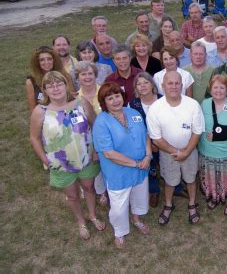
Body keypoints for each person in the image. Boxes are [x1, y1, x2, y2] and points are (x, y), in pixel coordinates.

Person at [29, 71, 105, 240]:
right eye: (50, 86)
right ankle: (81, 222)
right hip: (60, 164)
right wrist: (45, 160)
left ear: (66, 85)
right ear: (45, 90)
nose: (55, 88)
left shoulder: (81, 102)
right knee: (72, 195)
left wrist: (95, 151)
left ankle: (92, 215)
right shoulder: (40, 111)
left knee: (89, 188)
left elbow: (96, 125)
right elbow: (34, 138)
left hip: (86, 159)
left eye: (59, 84)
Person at [92, 82, 151, 248]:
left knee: (139, 197)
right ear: (104, 103)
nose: (115, 100)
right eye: (110, 98)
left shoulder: (133, 112)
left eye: (117, 96)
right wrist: (136, 163)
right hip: (118, 172)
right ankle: (119, 231)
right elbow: (109, 153)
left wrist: (147, 155)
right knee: (118, 206)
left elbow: (146, 135)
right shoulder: (101, 122)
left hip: (141, 168)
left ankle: (136, 218)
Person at [147, 71, 205, 225]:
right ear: (162, 86)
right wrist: (176, 152)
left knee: (191, 179)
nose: (174, 86)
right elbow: (156, 138)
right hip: (168, 153)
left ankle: (192, 204)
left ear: (182, 85)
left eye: (177, 83)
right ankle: (168, 204)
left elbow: (197, 131)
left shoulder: (193, 105)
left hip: (190, 150)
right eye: (170, 83)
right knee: (169, 181)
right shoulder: (155, 108)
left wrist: (186, 152)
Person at [198, 75, 227, 214]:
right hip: (208, 150)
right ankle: (213, 196)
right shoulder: (204, 104)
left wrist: (218, 135)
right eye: (215, 87)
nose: (218, 90)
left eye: (222, 87)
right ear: (210, 89)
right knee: (211, 175)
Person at [75, 61, 108, 206]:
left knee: (103, 166)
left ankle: (102, 191)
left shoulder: (105, 92)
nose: (87, 77)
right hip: (83, 139)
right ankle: (85, 186)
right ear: (78, 77)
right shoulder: (73, 98)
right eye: (83, 74)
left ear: (95, 75)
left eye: (90, 73)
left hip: (104, 137)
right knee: (85, 165)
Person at [128, 72, 162, 208]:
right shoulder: (132, 104)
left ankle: (175, 187)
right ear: (136, 88)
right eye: (139, 84)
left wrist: (158, 142)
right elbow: (132, 127)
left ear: (152, 84)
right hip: (144, 142)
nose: (143, 86)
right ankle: (153, 191)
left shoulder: (162, 100)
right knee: (150, 165)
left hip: (164, 140)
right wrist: (149, 143)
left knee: (168, 164)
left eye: (146, 82)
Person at [25, 46, 74, 113]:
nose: (46, 62)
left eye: (49, 59)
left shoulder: (65, 76)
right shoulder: (31, 82)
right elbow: (32, 109)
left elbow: (73, 98)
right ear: (37, 62)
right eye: (42, 60)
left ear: (54, 60)